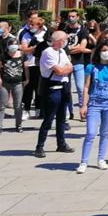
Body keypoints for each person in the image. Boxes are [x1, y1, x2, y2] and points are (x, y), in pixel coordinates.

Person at [78, 39, 108, 173]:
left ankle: (101, 158)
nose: (106, 53)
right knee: (91, 133)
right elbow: (86, 87)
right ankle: (84, 161)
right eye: (103, 50)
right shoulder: (91, 68)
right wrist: (83, 105)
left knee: (105, 133)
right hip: (94, 103)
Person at [34, 30, 74, 158]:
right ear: (58, 40)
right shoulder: (47, 52)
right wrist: (65, 70)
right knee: (49, 118)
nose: (66, 41)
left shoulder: (62, 52)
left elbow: (70, 67)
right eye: (64, 39)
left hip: (64, 87)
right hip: (52, 88)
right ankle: (40, 146)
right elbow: (58, 71)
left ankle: (61, 143)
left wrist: (65, 70)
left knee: (62, 117)